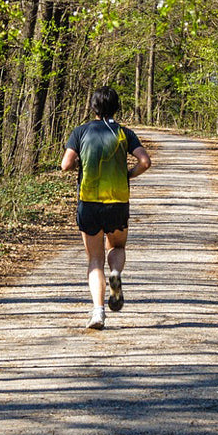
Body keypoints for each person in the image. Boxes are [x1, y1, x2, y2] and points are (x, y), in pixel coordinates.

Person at [61, 85, 152, 329]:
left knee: (94, 259)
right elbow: (145, 161)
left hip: (89, 202)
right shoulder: (124, 133)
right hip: (118, 202)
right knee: (117, 246)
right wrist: (128, 174)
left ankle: (98, 312)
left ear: (93, 107)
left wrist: (82, 159)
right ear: (117, 107)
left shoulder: (80, 132)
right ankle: (116, 276)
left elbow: (65, 165)